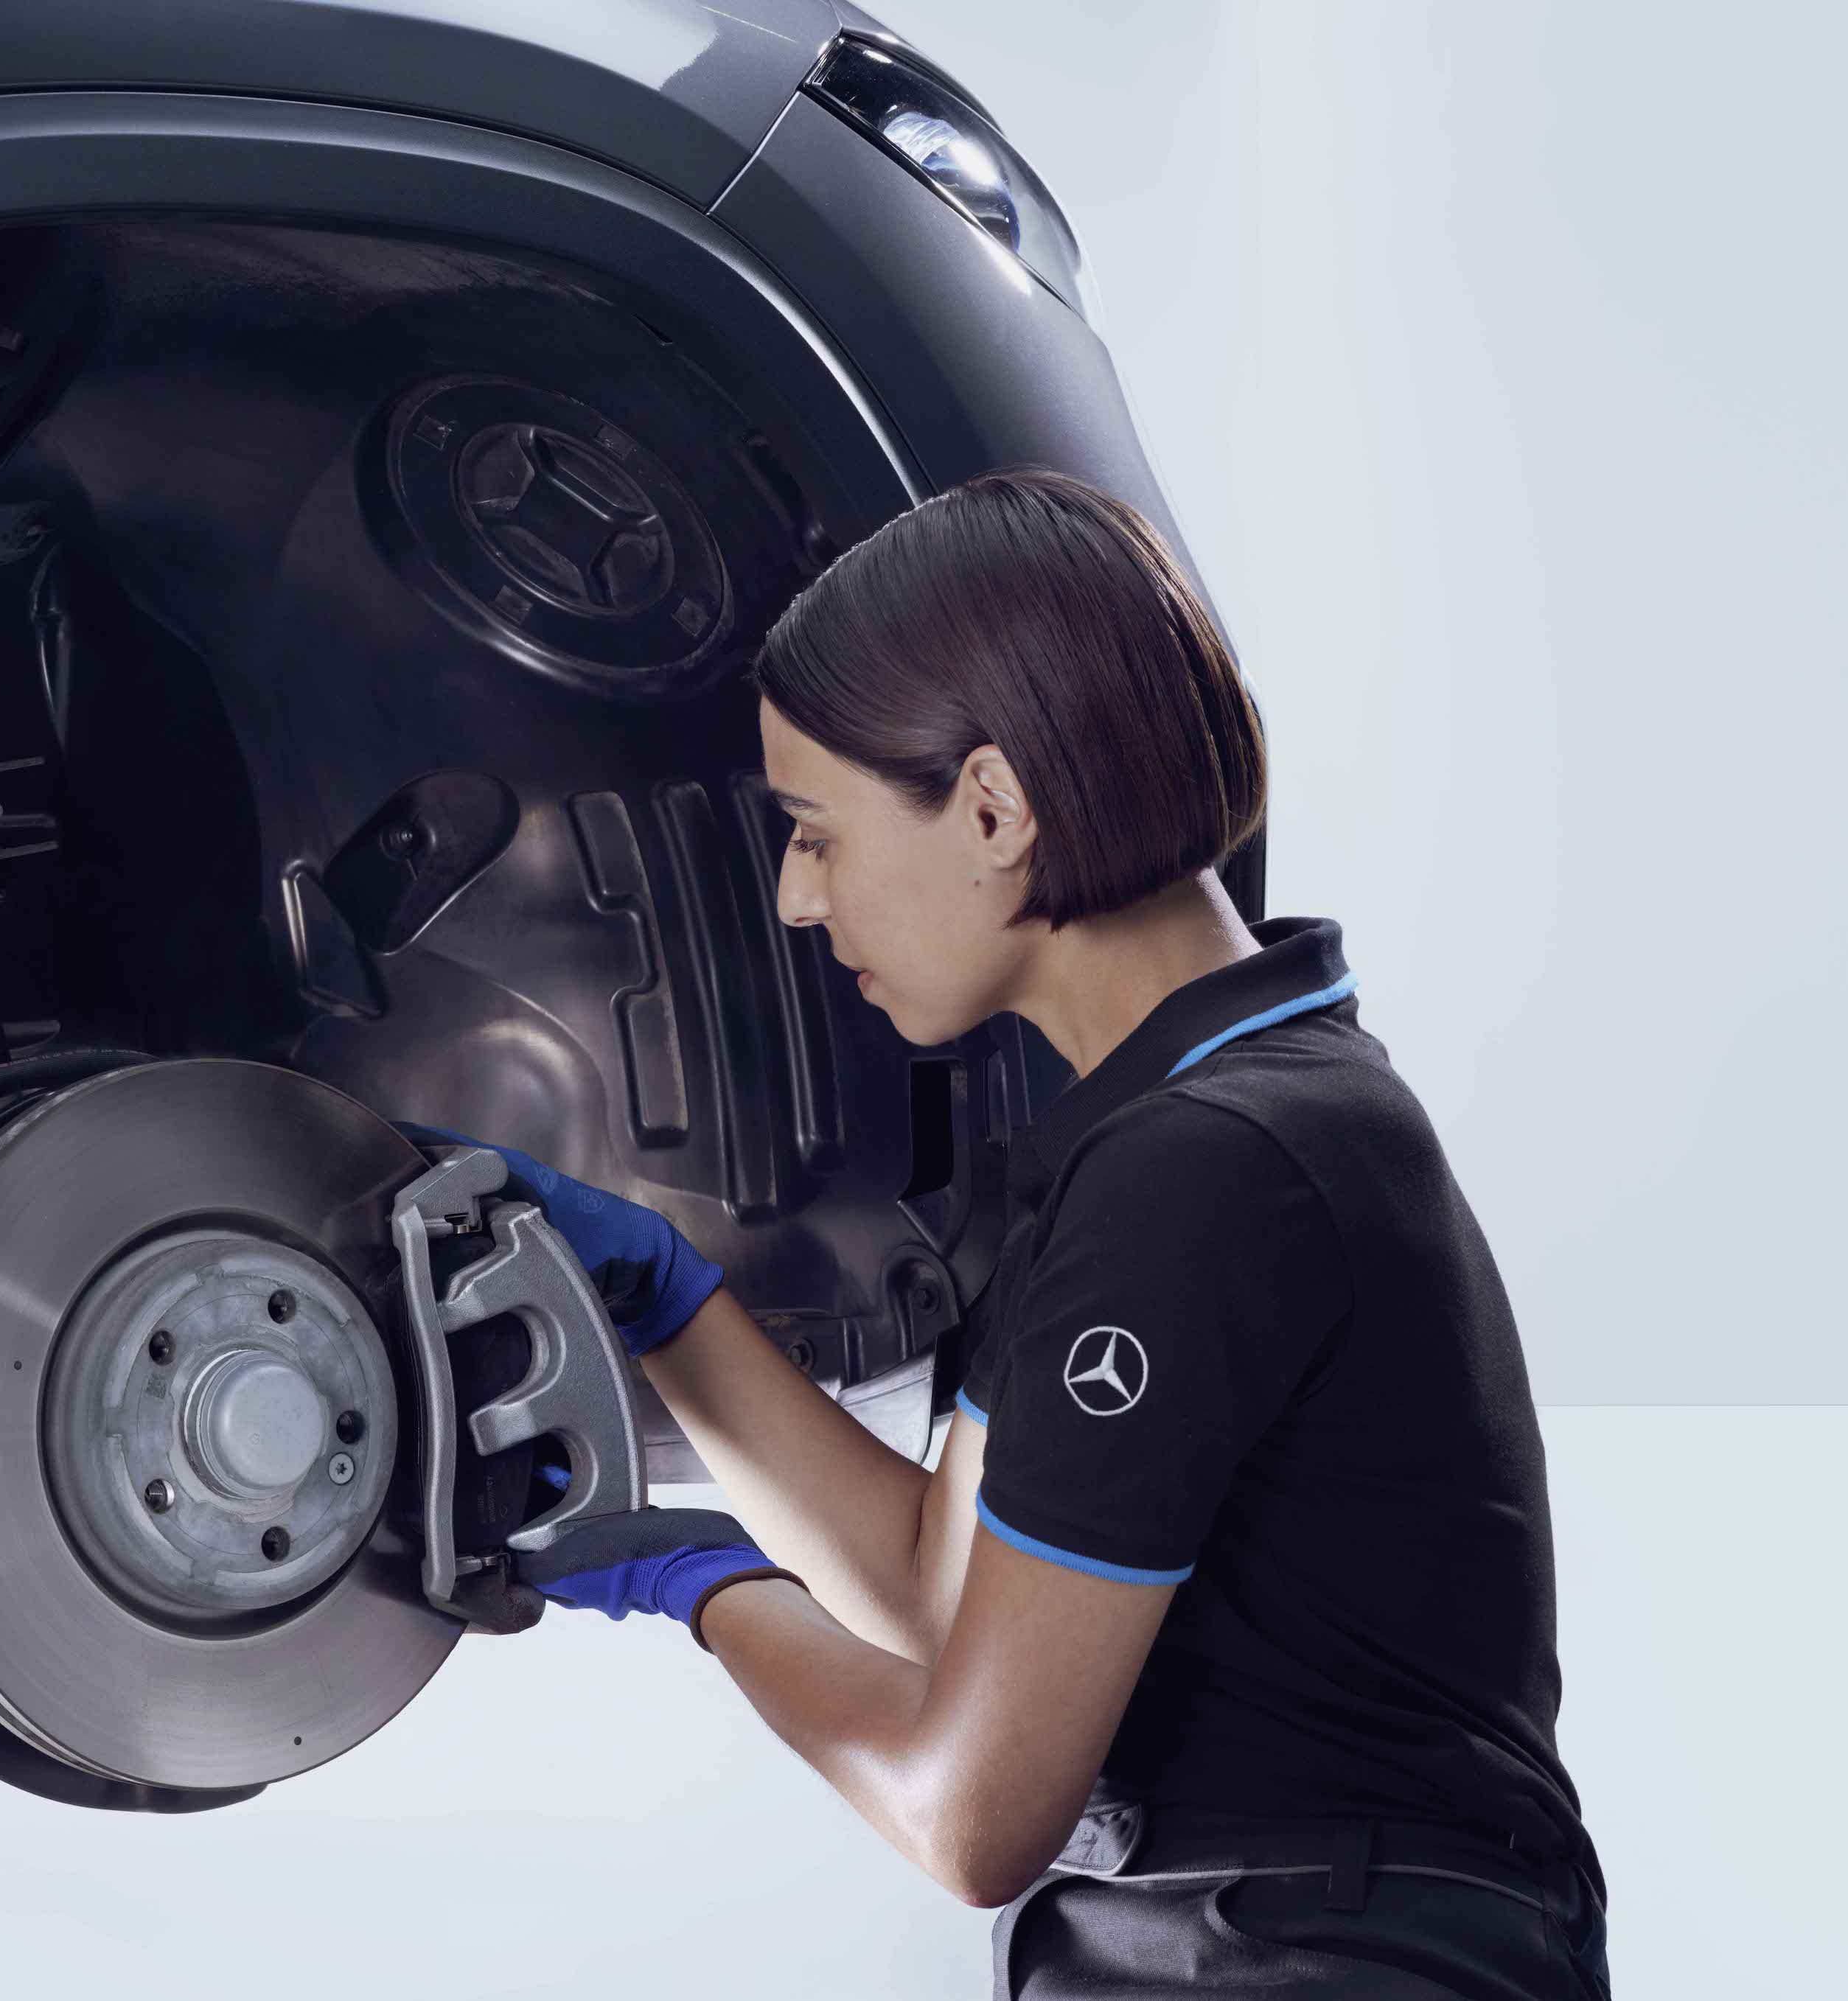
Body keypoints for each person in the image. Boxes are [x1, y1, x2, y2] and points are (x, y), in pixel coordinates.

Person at [430, 469, 1608, 1997]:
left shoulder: (1212, 1167)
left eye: (815, 830)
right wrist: (671, 1310)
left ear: (992, 809)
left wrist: (698, 1582)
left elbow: (970, 1811)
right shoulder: (1172, 1126)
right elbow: (947, 1596)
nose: (794, 897)